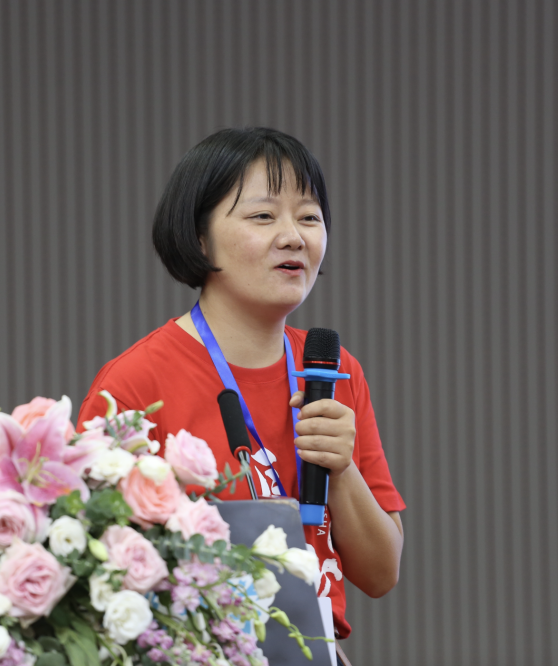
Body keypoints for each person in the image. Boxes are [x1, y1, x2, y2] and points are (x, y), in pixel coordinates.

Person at [77, 127, 404, 643]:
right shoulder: (136, 383)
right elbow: (92, 569)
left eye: (309, 217)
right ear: (199, 236)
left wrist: (340, 470)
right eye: (263, 216)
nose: (294, 236)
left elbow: (381, 574)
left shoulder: (334, 371)